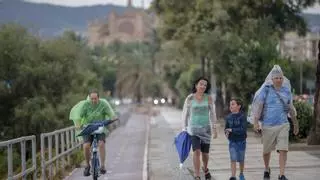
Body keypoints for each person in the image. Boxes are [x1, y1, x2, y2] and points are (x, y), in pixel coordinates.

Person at [251, 65, 299, 180]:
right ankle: (267, 169)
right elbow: (259, 106)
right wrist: (255, 122)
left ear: (283, 79)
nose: (279, 80)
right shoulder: (266, 90)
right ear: (271, 79)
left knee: (283, 149)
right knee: (266, 151)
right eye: (276, 78)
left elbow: (290, 108)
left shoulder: (286, 91)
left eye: (281, 78)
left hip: (283, 124)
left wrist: (295, 123)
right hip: (268, 125)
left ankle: (282, 174)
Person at [181, 77, 218, 180]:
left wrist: (214, 129)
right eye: (201, 84)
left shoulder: (209, 98)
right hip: (194, 130)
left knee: (205, 153)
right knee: (196, 151)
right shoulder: (190, 98)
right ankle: (197, 175)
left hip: (206, 130)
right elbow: (185, 114)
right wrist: (184, 128)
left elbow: (213, 114)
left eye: (205, 85)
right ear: (196, 85)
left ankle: (205, 169)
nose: (203, 86)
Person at [77, 89, 117, 176]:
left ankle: (102, 166)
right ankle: (87, 165)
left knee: (101, 144)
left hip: (100, 128)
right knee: (86, 146)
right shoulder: (85, 105)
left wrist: (113, 117)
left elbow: (111, 113)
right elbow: (79, 116)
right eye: (92, 99)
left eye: (95, 98)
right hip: (88, 127)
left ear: (99, 98)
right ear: (89, 98)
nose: (93, 100)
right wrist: (79, 124)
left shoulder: (103, 104)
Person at [225, 98, 247, 180]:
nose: (231, 106)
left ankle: (241, 173)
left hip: (241, 141)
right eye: (230, 104)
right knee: (233, 158)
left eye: (233, 104)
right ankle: (233, 176)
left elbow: (243, 129)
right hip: (232, 141)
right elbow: (226, 128)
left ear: (239, 106)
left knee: (241, 159)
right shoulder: (228, 117)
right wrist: (226, 133)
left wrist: (232, 130)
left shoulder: (242, 116)